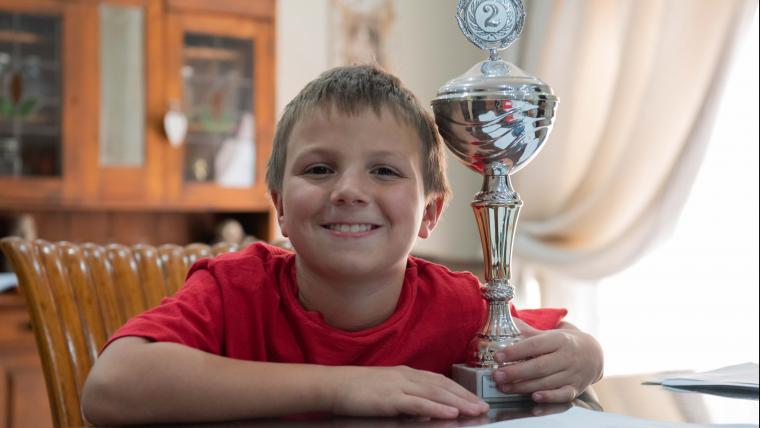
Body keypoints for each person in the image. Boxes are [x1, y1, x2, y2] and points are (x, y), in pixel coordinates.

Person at [81, 65, 603, 425]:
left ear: (430, 212)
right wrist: (342, 385)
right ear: (280, 205)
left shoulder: (461, 305)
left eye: (383, 170)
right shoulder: (233, 288)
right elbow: (111, 386)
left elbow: (556, 337)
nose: (350, 191)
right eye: (319, 169)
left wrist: (586, 356)